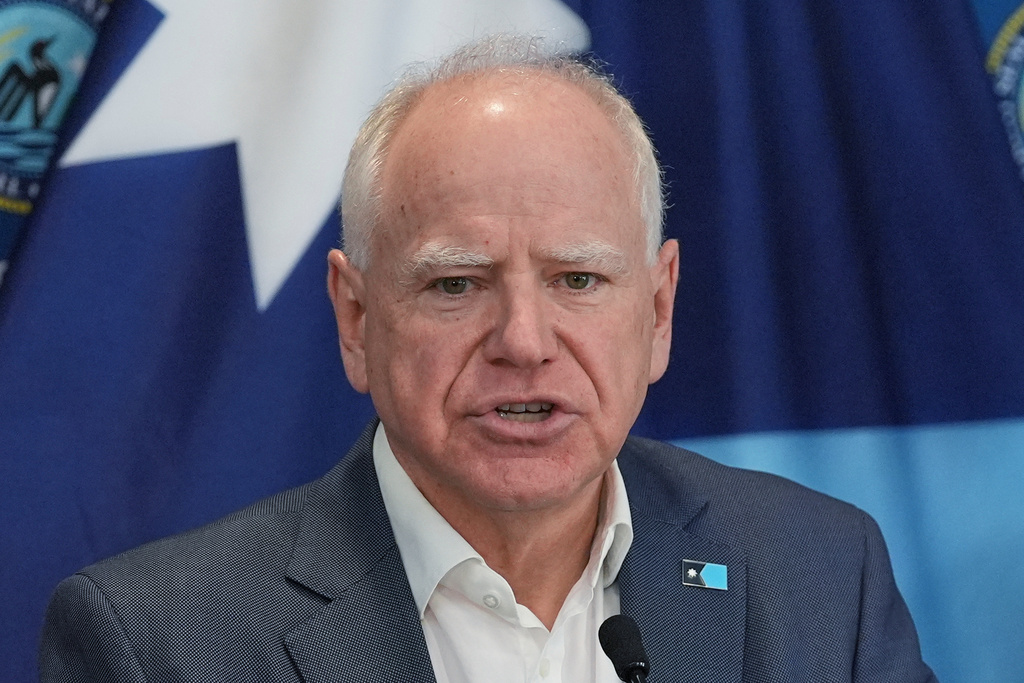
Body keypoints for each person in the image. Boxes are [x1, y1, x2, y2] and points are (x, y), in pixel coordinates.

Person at [39, 36, 937, 682]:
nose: (524, 340)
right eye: (457, 284)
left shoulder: (821, 575)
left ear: (658, 310)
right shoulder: (157, 645)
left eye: (578, 279)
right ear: (355, 319)